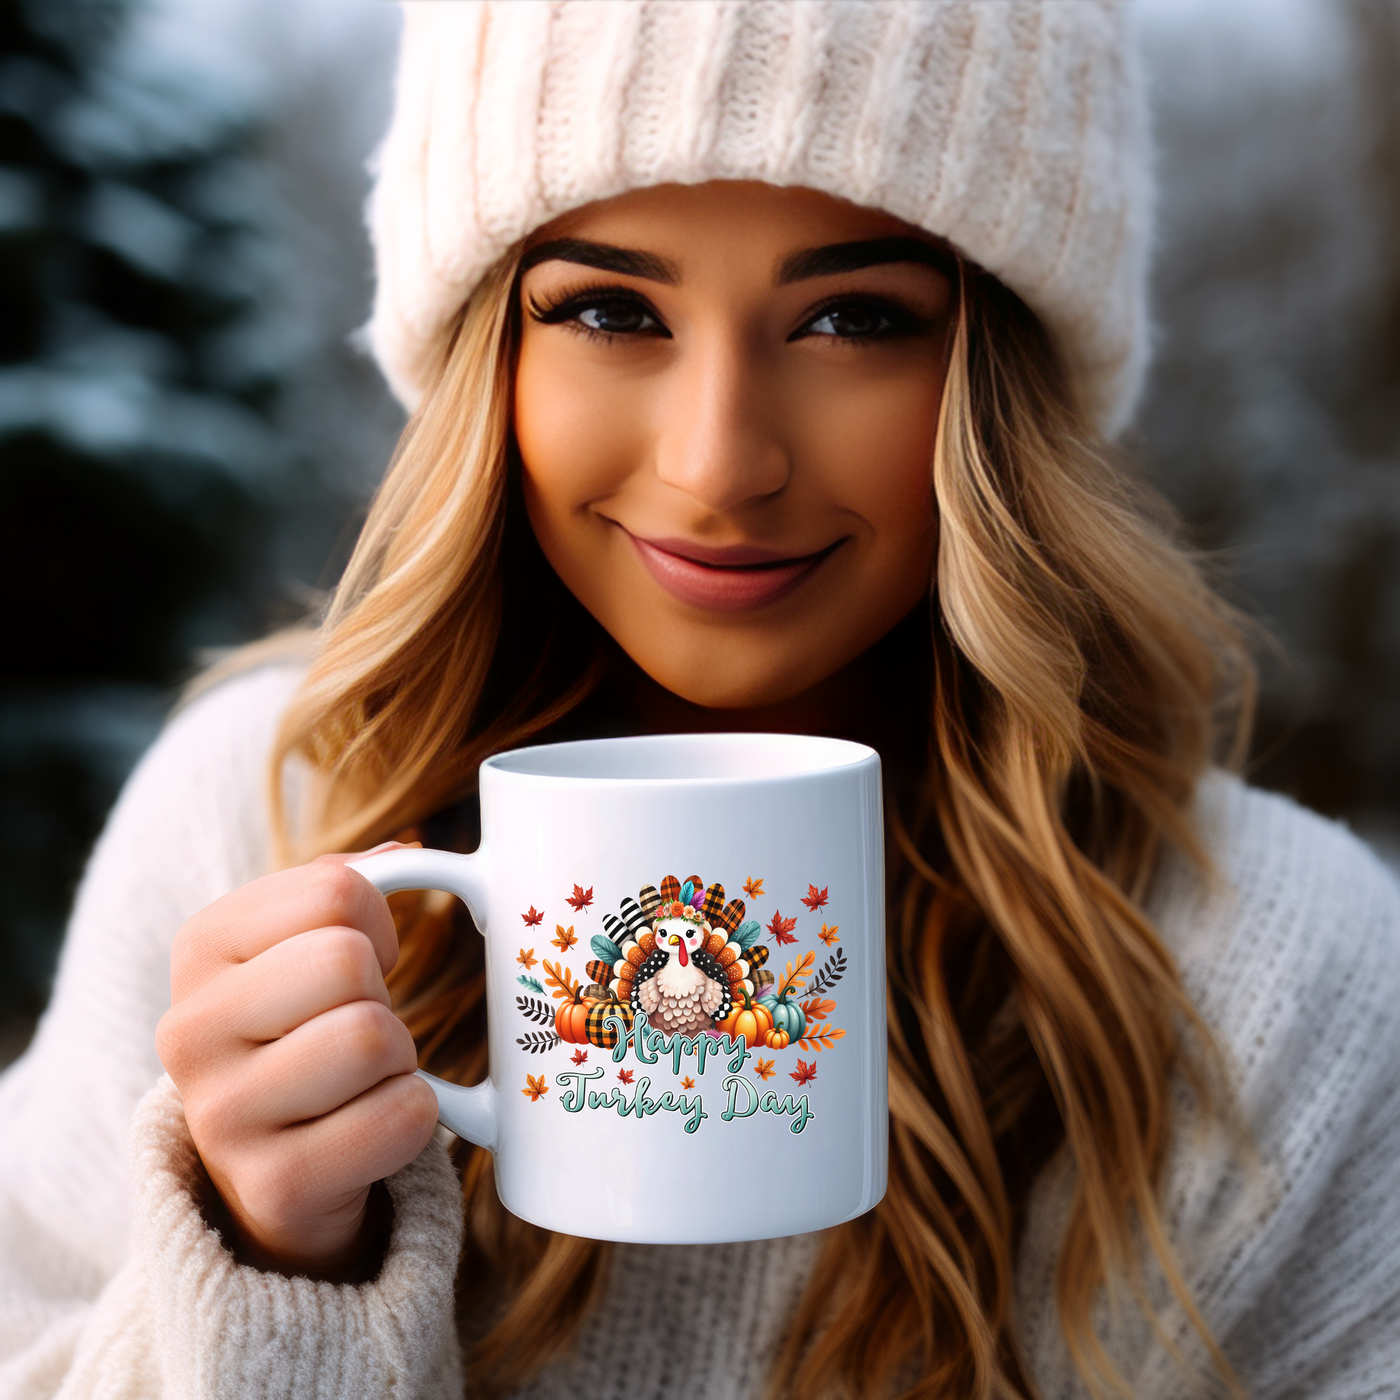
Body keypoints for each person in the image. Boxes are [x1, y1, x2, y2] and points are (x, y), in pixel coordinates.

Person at [2, 3, 1397, 1397]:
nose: (719, 462)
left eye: (856, 319)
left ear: (1003, 385)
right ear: (493, 359)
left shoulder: (1291, 981)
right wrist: (267, 1272)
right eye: (612, 310)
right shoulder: (260, 816)